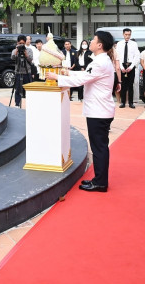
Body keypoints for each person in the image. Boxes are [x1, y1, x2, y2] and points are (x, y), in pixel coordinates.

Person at [46, 31, 116, 193]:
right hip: (99, 110)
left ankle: (100, 183)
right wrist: (67, 72)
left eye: (93, 40)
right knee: (99, 147)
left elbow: (82, 80)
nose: (90, 42)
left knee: (99, 148)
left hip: (99, 112)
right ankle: (99, 179)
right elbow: (86, 74)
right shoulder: (100, 60)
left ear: (100, 45)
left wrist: (57, 78)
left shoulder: (100, 62)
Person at [115, 28, 141, 109]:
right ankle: (123, 102)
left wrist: (131, 66)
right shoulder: (119, 44)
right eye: (126, 35)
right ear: (123, 34)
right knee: (123, 85)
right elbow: (117, 56)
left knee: (130, 85)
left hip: (131, 65)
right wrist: (121, 67)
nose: (127, 36)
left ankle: (131, 102)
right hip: (122, 65)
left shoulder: (134, 44)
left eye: (129, 35)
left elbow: (136, 56)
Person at [9, 35, 33, 107]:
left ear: (25, 43)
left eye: (23, 43)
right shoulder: (15, 50)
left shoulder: (29, 50)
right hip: (18, 72)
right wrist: (17, 50)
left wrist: (25, 53)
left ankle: (30, 105)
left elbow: (30, 59)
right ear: (17, 43)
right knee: (18, 90)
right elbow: (12, 57)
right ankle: (17, 104)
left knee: (28, 90)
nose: (21, 45)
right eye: (20, 43)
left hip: (27, 72)